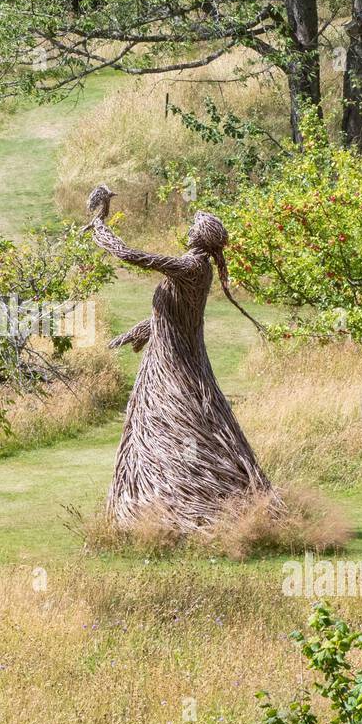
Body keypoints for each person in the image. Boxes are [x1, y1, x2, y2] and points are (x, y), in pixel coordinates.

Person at [86, 184, 271, 529]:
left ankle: (170, 509)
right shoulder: (201, 270)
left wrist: (100, 228)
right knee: (167, 425)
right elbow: (174, 316)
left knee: (170, 424)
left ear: (200, 238)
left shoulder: (191, 267)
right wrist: (137, 333)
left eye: (192, 229)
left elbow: (133, 256)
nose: (187, 232)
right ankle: (165, 503)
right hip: (172, 359)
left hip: (175, 366)